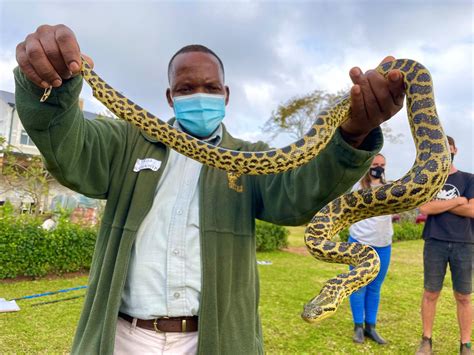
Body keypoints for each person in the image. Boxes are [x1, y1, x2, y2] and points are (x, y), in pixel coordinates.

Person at [14, 24, 406, 354]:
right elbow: (70, 147)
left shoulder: (251, 158)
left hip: (214, 339)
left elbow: (298, 194)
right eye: (185, 89)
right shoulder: (125, 142)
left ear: (226, 94)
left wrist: (351, 135)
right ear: (170, 96)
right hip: (123, 338)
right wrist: (49, 89)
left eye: (210, 86)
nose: (198, 95)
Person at [416, 136, 473, 355]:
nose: (444, 151)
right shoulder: (429, 180)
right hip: (435, 241)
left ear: (454, 149)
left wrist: (439, 204)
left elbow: (472, 211)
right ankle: (426, 340)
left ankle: (465, 344)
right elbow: (425, 208)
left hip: (464, 243)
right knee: (430, 293)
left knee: (464, 296)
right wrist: (458, 201)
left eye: (447, 147)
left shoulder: (469, 179)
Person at [348, 153, 393, 345]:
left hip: (383, 244)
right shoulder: (356, 186)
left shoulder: (389, 188)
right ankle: (358, 326)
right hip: (360, 243)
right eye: (375, 164)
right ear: (367, 165)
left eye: (382, 164)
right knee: (359, 285)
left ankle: (370, 327)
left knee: (375, 287)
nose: (379, 168)